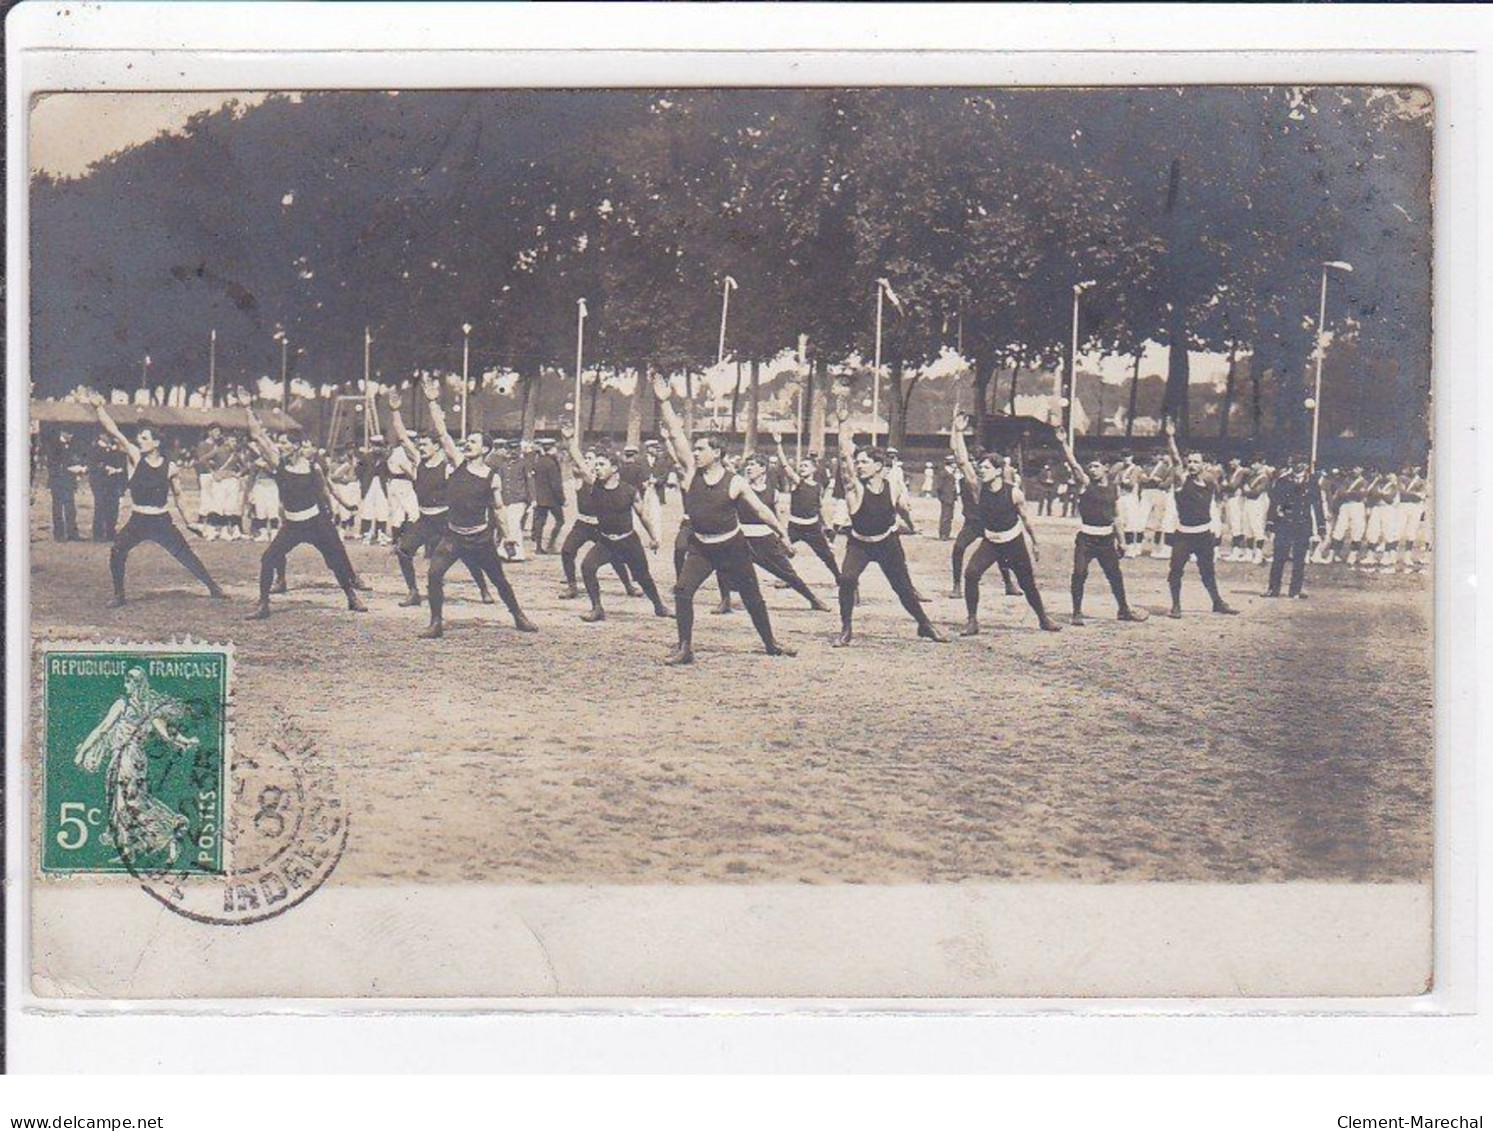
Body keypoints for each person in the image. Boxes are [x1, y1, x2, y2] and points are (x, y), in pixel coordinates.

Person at [651, 371, 795, 664]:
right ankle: (685, 647)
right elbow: (677, 436)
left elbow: (761, 510)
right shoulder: (692, 473)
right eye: (696, 449)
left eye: (702, 449)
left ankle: (770, 643)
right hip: (701, 547)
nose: (696, 452)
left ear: (716, 453)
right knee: (682, 591)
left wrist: (782, 533)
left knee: (753, 597)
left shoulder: (735, 482)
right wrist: (664, 403)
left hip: (733, 548)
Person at [415, 376, 537, 639]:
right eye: (467, 441)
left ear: (485, 449)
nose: (467, 444)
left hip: (480, 539)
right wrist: (433, 401)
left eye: (473, 442)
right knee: (434, 575)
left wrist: (509, 538)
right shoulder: (458, 462)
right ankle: (436, 622)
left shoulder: (491, 477)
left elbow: (499, 510)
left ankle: (518, 615)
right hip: (453, 536)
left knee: (500, 581)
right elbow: (443, 433)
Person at [831, 386, 949, 647]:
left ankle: (925, 625)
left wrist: (911, 525)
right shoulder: (854, 489)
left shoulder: (892, 484)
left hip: (887, 543)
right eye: (858, 461)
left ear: (879, 466)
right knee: (847, 579)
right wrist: (843, 424)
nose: (859, 465)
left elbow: (902, 508)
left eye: (864, 462)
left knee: (904, 589)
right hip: (860, 543)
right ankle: (846, 628)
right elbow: (843, 457)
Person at [89, 397, 226, 607]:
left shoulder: (170, 468)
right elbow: (114, 430)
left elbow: (179, 496)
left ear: (156, 442)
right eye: (139, 438)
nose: (139, 441)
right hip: (138, 520)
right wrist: (98, 407)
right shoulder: (135, 456)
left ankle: (213, 587)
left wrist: (189, 522)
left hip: (161, 520)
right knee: (117, 551)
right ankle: (119, 595)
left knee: (185, 553)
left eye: (144, 438)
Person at [243, 408, 367, 620]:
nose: (281, 447)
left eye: (286, 443)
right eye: (280, 443)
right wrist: (247, 407)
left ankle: (351, 596)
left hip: (315, 523)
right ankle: (263, 605)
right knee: (268, 558)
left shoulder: (312, 468)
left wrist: (338, 510)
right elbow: (258, 436)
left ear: (297, 447)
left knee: (335, 560)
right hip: (292, 525)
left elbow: (325, 492)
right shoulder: (278, 463)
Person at [950, 411, 1059, 635]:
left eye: (987, 468)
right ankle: (972, 620)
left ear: (999, 471)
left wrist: (1035, 543)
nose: (981, 470)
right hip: (991, 541)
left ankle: (1042, 618)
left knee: (1027, 583)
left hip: (1014, 542)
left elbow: (1027, 520)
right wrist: (959, 432)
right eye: (981, 467)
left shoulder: (1014, 493)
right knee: (971, 574)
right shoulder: (978, 488)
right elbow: (962, 461)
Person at [384, 391, 494, 609]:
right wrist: (395, 411)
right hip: (425, 519)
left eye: (425, 445)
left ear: (436, 447)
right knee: (404, 550)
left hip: (446, 519)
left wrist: (433, 401)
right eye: (420, 445)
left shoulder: (449, 465)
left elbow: (443, 434)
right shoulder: (417, 461)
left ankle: (483, 588)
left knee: (467, 555)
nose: (421, 448)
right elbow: (403, 436)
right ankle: (413, 592)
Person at [561, 423, 671, 622]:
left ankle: (659, 606)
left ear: (614, 468)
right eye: (596, 465)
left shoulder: (629, 491)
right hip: (606, 542)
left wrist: (654, 537)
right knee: (587, 567)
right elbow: (579, 461)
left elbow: (643, 516)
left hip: (629, 542)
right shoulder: (595, 486)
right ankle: (597, 608)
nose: (597, 468)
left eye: (602, 465)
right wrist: (570, 440)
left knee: (643, 576)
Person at [714, 452, 830, 614]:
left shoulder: (773, 492)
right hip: (741, 538)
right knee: (723, 566)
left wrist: (785, 540)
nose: (748, 468)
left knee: (788, 573)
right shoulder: (740, 487)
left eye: (753, 465)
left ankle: (813, 599)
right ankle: (725, 602)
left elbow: (779, 518)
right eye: (747, 465)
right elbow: (727, 467)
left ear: (763, 469)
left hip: (765, 540)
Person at [1055, 428, 1147, 626]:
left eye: (1096, 466)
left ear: (1106, 468)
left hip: (1106, 540)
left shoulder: (1114, 488)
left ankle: (1123, 609)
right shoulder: (1086, 484)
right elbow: (1074, 465)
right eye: (1090, 466)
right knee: (1079, 574)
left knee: (1115, 575)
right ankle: (1076, 612)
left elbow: (1116, 516)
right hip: (1086, 539)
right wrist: (1063, 443)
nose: (1092, 470)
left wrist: (1122, 542)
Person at [1162, 418, 1239, 619]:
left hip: (1203, 534)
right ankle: (1176, 605)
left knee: (1208, 572)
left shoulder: (1210, 480)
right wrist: (1170, 437)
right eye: (1190, 462)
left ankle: (1217, 602)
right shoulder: (1181, 480)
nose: (1192, 464)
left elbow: (1218, 501)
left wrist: (1217, 528)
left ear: (1204, 465)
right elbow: (1175, 460)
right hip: (1184, 535)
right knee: (1176, 570)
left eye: (1196, 461)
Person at [775, 435, 842, 585]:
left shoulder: (818, 487)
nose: (801, 468)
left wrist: (826, 526)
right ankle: (787, 578)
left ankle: (840, 578)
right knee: (778, 550)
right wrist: (779, 444)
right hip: (795, 527)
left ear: (814, 469)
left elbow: (819, 508)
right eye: (800, 466)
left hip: (812, 527)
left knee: (826, 556)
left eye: (805, 466)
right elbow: (785, 466)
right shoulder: (798, 482)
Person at [1262, 455, 1326, 599]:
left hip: (1303, 523)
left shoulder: (1312, 482)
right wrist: (1270, 523)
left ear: (1306, 465)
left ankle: (1295, 590)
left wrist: (1321, 527)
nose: (1299, 466)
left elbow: (1317, 505)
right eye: (1296, 463)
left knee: (1299, 559)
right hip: (1284, 522)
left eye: (1302, 463)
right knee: (1279, 557)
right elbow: (1274, 503)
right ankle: (1273, 589)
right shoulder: (1283, 481)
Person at [87, 431, 127, 542]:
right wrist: (105, 468)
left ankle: (111, 532)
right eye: (106, 435)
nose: (108, 438)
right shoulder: (95, 449)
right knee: (100, 506)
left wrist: (118, 470)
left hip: (113, 482)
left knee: (113, 507)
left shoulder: (116, 450)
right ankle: (98, 533)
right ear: (101, 435)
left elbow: (122, 464)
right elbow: (93, 466)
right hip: (99, 482)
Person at [46, 429, 84, 542]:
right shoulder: (53, 445)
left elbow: (74, 459)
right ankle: (59, 534)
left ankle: (72, 533)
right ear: (63, 433)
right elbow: (52, 465)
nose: (71, 436)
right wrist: (68, 469)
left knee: (70, 507)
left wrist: (78, 468)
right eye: (70, 433)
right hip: (57, 481)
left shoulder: (72, 445)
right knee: (58, 507)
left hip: (69, 481)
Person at [530, 438, 566, 553]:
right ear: (552, 449)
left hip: (541, 498)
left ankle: (538, 547)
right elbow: (555, 484)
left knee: (540, 522)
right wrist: (562, 499)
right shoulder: (552, 463)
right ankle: (551, 544)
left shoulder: (538, 462)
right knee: (560, 520)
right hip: (552, 499)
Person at [933, 455, 959, 540]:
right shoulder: (943, 473)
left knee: (949, 516)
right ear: (950, 463)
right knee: (945, 517)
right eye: (954, 463)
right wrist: (942, 497)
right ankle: (943, 534)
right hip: (946, 498)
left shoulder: (951, 473)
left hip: (950, 498)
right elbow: (938, 487)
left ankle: (946, 533)